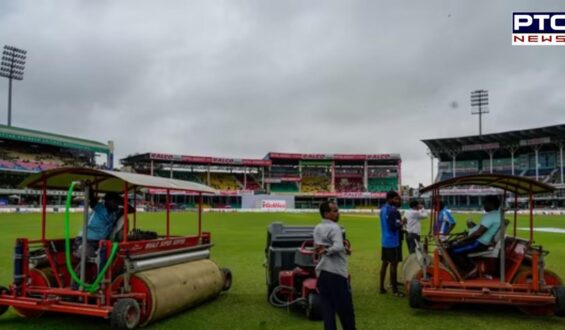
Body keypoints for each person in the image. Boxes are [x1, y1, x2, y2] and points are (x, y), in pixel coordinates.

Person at [314, 201, 356, 330]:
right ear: (327, 213)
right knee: (346, 312)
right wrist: (329, 250)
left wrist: (338, 249)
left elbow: (319, 246)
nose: (338, 213)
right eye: (334, 210)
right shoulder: (335, 227)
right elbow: (337, 246)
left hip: (322, 273)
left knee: (328, 312)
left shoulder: (317, 228)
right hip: (337, 273)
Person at [447, 195, 502, 276]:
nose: (483, 205)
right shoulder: (497, 214)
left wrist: (464, 239)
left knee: (451, 250)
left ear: (491, 204)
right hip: (480, 241)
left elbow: (478, 233)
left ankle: (471, 269)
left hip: (479, 242)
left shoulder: (491, 216)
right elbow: (480, 229)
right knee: (457, 247)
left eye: (485, 203)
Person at [72, 191, 126, 259]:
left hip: (101, 242)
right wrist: (90, 188)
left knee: (115, 255)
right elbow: (92, 200)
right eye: (115, 201)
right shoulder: (99, 207)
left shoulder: (115, 212)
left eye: (117, 201)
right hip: (86, 241)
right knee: (88, 256)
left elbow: (131, 209)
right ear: (107, 201)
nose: (116, 204)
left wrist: (122, 202)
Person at [379, 190, 405, 297]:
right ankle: (395, 290)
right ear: (390, 199)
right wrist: (402, 223)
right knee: (393, 265)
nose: (397, 200)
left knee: (385, 264)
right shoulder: (392, 210)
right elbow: (393, 227)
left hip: (385, 240)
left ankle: (381, 288)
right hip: (392, 241)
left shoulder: (383, 209)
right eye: (396, 199)